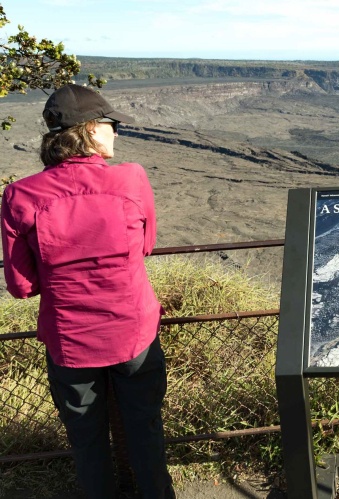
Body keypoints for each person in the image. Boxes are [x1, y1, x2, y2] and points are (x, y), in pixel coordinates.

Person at [1, 84, 175, 499]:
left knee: (87, 440)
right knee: (145, 431)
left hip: (71, 341)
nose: (116, 133)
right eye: (112, 126)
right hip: (134, 334)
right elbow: (145, 246)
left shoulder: (20, 195)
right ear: (92, 130)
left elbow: (21, 286)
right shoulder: (132, 179)